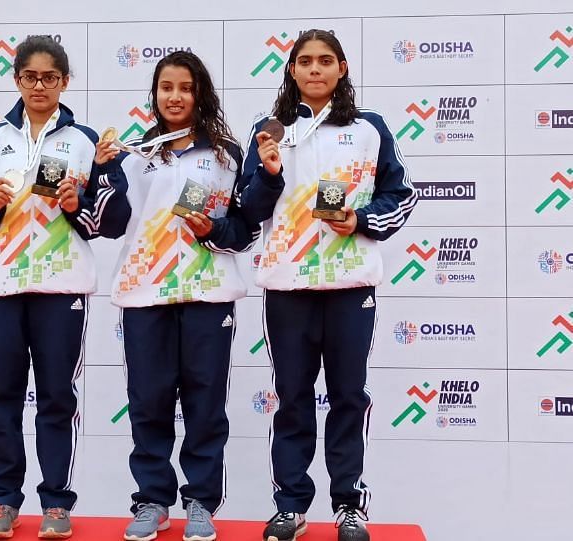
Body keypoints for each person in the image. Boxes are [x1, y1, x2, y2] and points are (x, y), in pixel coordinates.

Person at [238, 29, 417, 541]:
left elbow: (400, 196)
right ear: (291, 70)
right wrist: (268, 174)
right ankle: (291, 505)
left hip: (350, 287)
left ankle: (349, 507)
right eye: (305, 62)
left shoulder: (369, 128)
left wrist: (359, 221)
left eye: (325, 61)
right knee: (292, 397)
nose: (315, 70)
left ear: (341, 69)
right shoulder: (268, 131)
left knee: (347, 396)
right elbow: (247, 210)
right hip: (287, 286)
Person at [91, 50, 260, 541]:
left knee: (206, 402)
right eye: (167, 87)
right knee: (149, 401)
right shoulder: (138, 153)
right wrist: (104, 172)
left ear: (199, 93)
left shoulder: (226, 153)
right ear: (155, 94)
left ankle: (201, 504)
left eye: (185, 87)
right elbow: (115, 225)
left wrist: (213, 229)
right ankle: (153, 500)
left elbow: (244, 228)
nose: (175, 96)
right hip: (145, 291)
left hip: (208, 291)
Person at [0, 35, 102, 539]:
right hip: (0, 285)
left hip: (61, 288)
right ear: (17, 79)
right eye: (31, 77)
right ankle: (2, 501)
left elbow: (102, 221)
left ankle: (56, 503)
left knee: (58, 396)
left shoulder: (83, 141)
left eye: (51, 77)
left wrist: (74, 205)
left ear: (65, 82)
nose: (40, 86)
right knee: (3, 394)